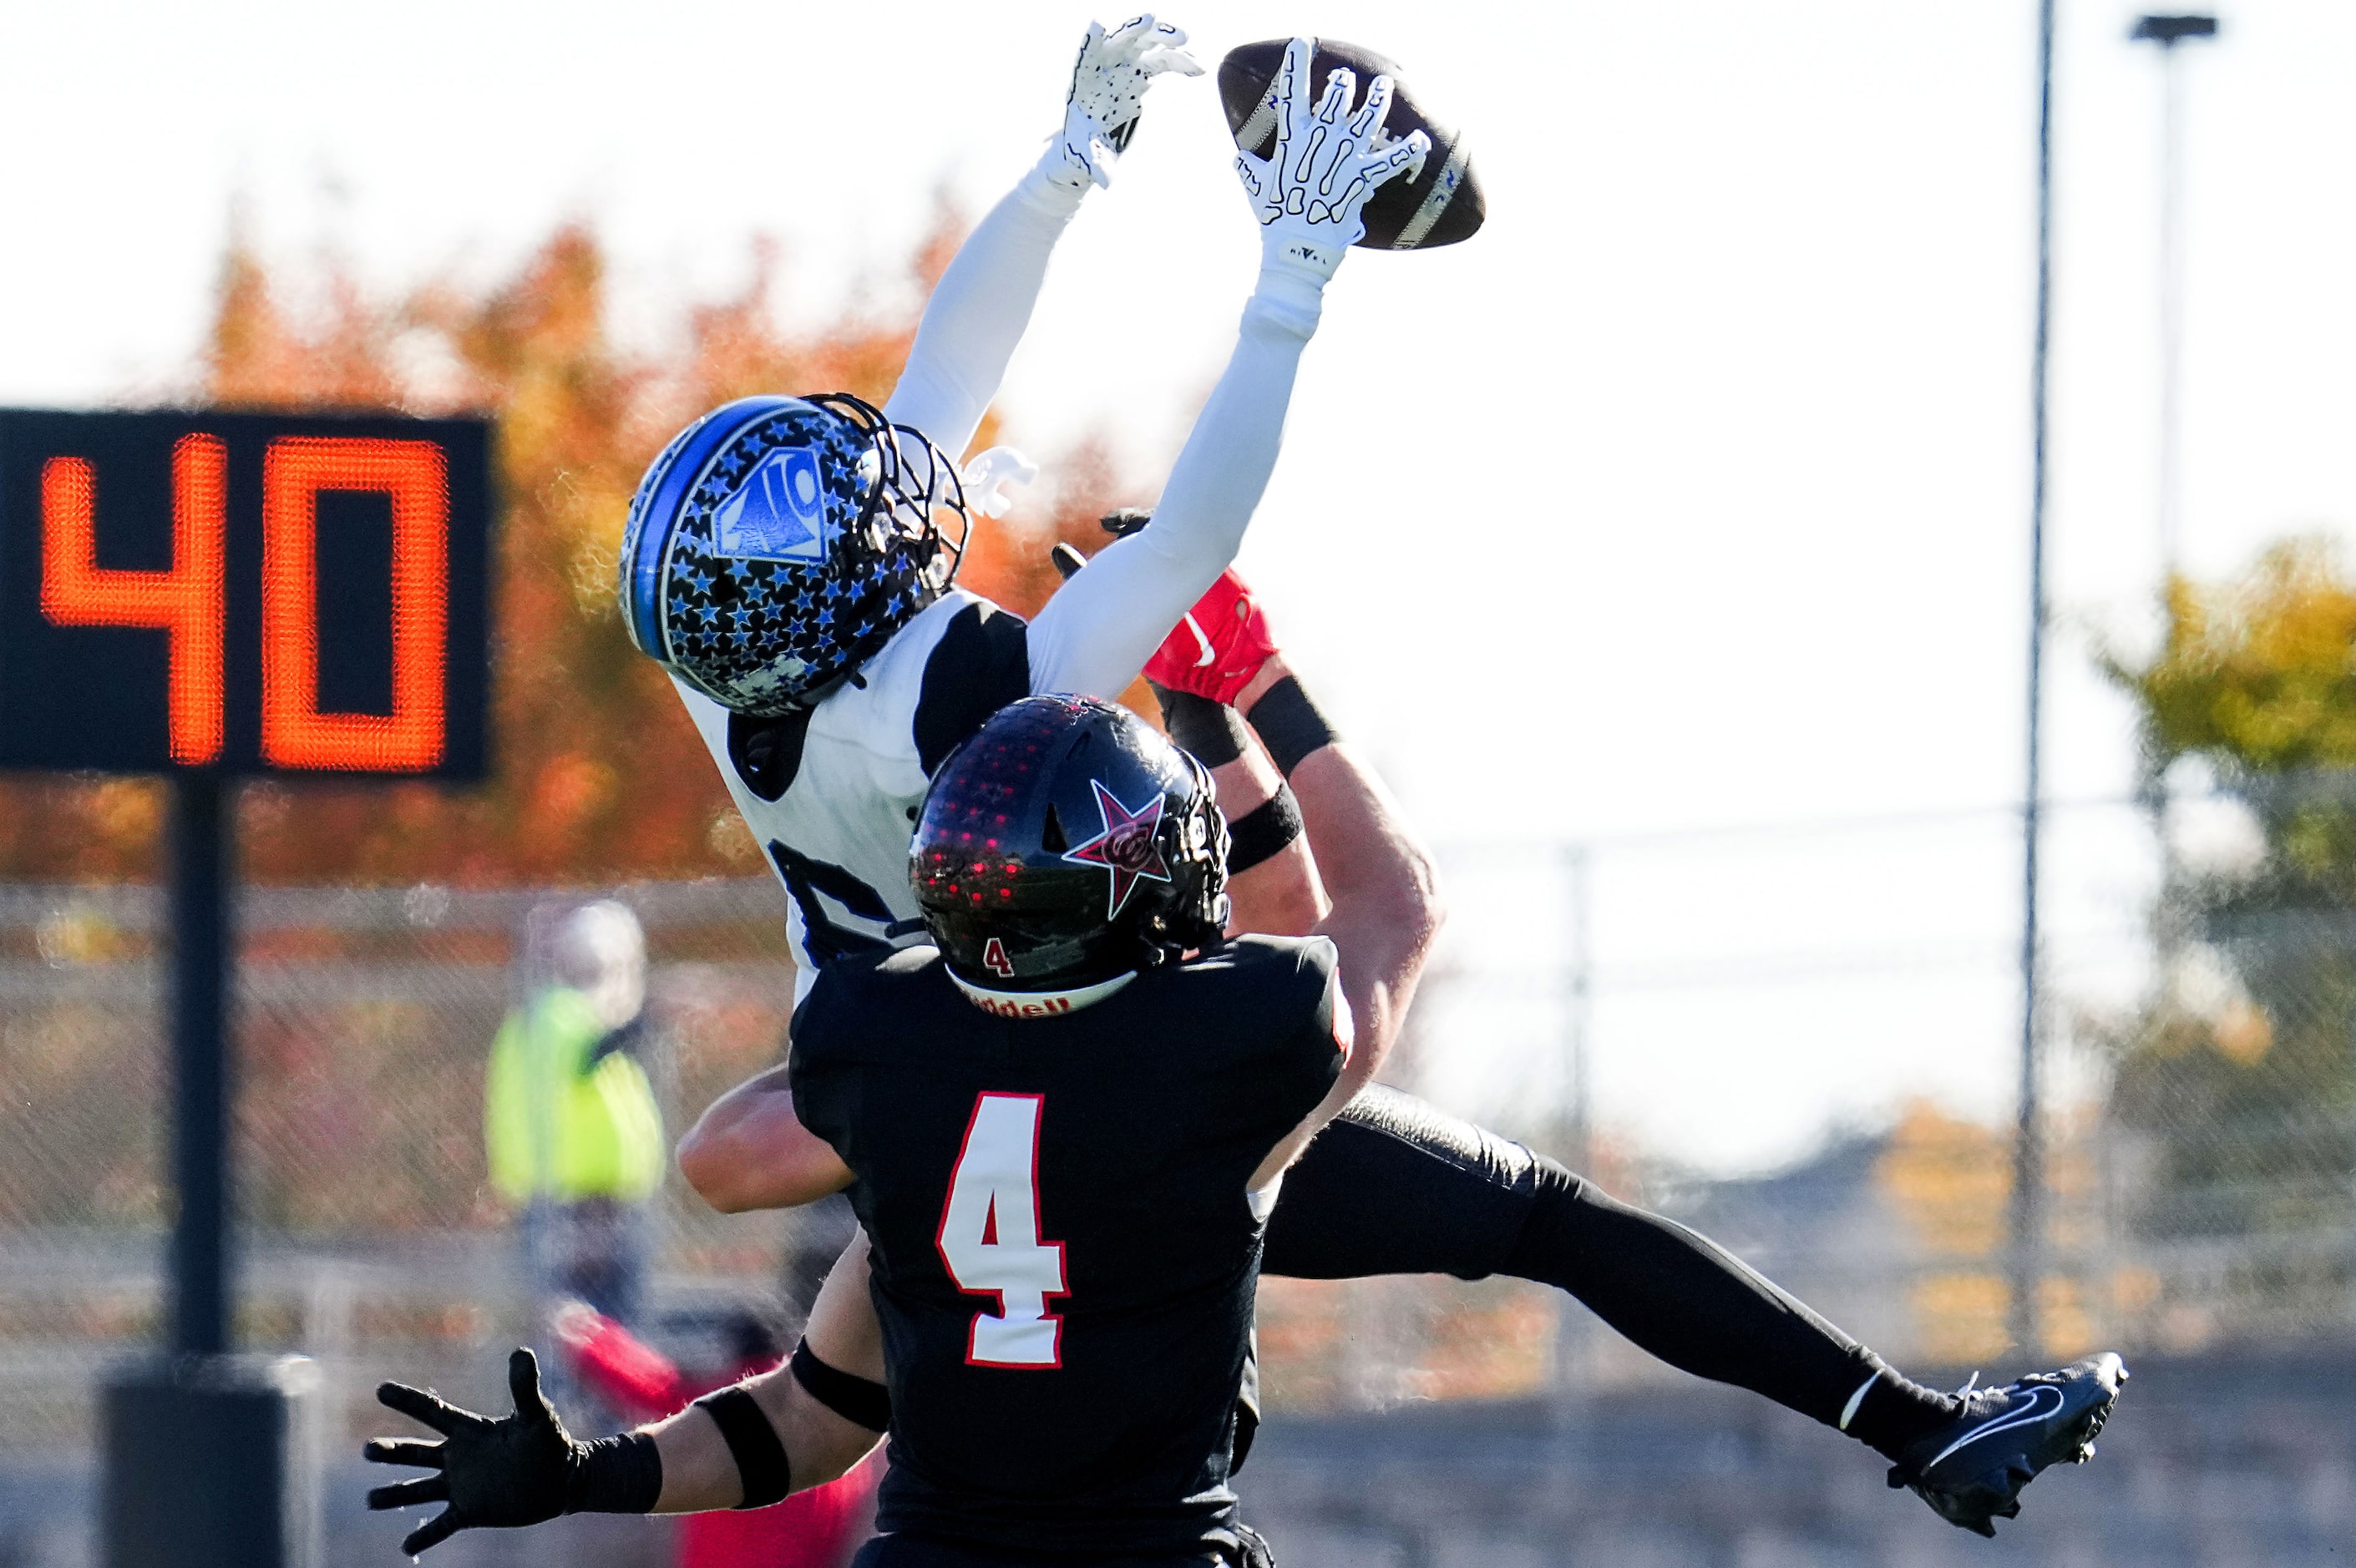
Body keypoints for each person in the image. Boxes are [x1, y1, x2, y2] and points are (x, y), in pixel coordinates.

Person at [615, 18, 2123, 1539]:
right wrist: (1290, 284)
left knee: (904, 1400)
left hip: (917, 1099)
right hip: (1096, 1082)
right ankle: (1917, 1423)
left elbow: (944, 381)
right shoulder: (968, 688)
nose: (880, 465)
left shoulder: (736, 672)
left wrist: (1073, 165)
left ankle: (1918, 1422)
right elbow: (1187, 537)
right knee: (1540, 1211)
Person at [362, 690, 1430, 1560]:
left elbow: (797, 1416)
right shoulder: (1223, 1069)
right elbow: (1384, 913)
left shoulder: (912, 1103)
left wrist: (587, 1476)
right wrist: (1246, 691)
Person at [484, 899, 666, 1329]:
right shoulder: (559, 1017)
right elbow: (588, 1058)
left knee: (586, 1328)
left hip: (594, 1200)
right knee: (589, 1331)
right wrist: (646, 1022)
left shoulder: (541, 1019)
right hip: (576, 1203)